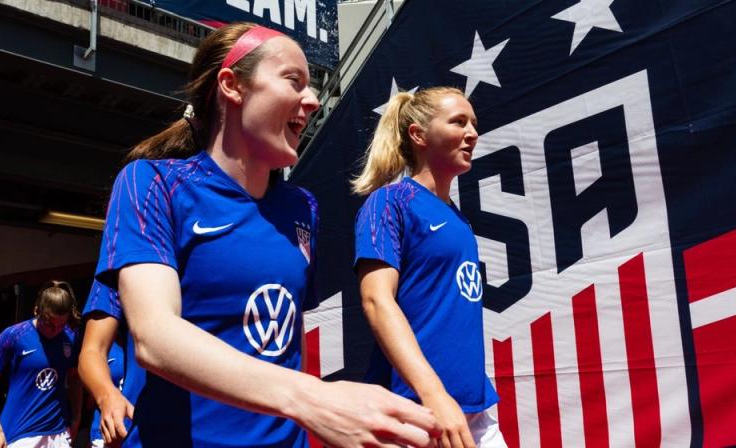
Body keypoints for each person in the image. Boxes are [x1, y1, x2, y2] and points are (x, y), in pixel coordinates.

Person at [95, 22, 441, 448]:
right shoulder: (152, 183)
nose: (313, 100)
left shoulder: (302, 207)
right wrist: (314, 399)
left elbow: (288, 338)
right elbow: (155, 337)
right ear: (232, 86)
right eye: (293, 80)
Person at [351, 87, 506, 448]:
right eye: (458, 122)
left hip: (474, 411)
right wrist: (433, 393)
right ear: (418, 135)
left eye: (474, 124)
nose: (472, 133)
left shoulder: (458, 219)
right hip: (415, 414)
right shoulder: (389, 202)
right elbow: (376, 300)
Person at [0, 281, 83, 448]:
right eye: (49, 324)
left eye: (61, 325)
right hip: (20, 433)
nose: (55, 330)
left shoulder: (70, 337)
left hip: (59, 433)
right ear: (36, 310)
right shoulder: (14, 335)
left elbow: (75, 378)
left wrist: (76, 418)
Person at [78, 281, 135, 448]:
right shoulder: (106, 350)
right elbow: (90, 399)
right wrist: (107, 396)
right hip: (108, 432)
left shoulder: (130, 350)